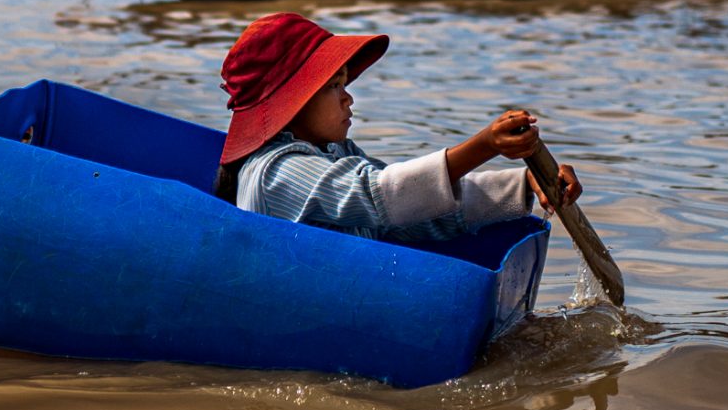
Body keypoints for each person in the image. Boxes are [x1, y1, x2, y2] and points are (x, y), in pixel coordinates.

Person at [212, 13, 580, 243]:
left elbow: (408, 214)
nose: (348, 99)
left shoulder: (336, 153)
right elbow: (381, 196)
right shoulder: (279, 172)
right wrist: (485, 145)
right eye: (333, 86)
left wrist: (526, 183)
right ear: (290, 102)